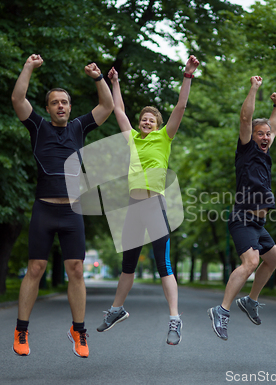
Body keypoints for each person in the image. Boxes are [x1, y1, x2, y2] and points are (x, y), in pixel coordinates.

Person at [11, 54, 114, 358]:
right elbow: (18, 98)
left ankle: (79, 331)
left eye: (64, 102)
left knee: (77, 271)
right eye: (55, 102)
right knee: (36, 268)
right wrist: (29, 67)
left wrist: (98, 78)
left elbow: (107, 107)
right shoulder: (38, 127)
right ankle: (21, 329)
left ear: (70, 107)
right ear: (47, 108)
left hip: (72, 211)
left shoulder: (79, 128)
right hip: (44, 209)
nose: (60, 106)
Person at [96, 55, 200, 345]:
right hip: (134, 209)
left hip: (155, 207)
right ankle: (117, 310)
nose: (146, 121)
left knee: (163, 264)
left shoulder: (165, 137)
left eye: (151, 119)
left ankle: (175, 320)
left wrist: (187, 76)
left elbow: (180, 106)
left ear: (158, 125)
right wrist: (114, 82)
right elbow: (118, 110)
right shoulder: (131, 138)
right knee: (127, 265)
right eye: (143, 118)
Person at [208, 76, 276, 341]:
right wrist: (254, 89)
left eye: (266, 135)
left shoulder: (264, 154)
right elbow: (245, 119)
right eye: (259, 133)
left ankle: (250, 301)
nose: (264, 137)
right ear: (251, 136)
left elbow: (272, 126)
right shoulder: (247, 151)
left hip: (258, 224)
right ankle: (222, 310)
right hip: (242, 218)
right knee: (251, 261)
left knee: (273, 258)